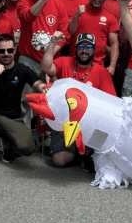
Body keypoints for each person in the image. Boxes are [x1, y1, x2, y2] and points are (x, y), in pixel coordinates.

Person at [41, 31, 116, 169]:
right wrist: (52, 44)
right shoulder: (65, 62)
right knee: (59, 160)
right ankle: (79, 150)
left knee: (105, 129)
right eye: (81, 47)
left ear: (94, 50)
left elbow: (111, 104)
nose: (84, 51)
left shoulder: (102, 72)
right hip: (66, 123)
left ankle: (87, 152)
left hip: (91, 123)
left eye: (88, 48)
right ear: (76, 49)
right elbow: (46, 67)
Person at [0, 34, 46, 167]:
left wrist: (43, 88)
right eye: (2, 51)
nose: (6, 54)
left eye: (9, 50)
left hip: (13, 120)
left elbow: (36, 83)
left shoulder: (22, 69)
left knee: (27, 148)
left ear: (15, 50)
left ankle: (8, 144)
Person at [16, 0, 68, 75]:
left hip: (52, 60)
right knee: (28, 91)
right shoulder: (23, 2)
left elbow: (65, 35)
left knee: (52, 91)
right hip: (28, 59)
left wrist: (48, 55)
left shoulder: (59, 5)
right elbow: (28, 17)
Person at [67, 0, 119, 75]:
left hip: (98, 66)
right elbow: (70, 32)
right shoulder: (76, 11)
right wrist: (76, 16)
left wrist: (112, 66)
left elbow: (114, 44)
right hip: (74, 64)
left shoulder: (110, 18)